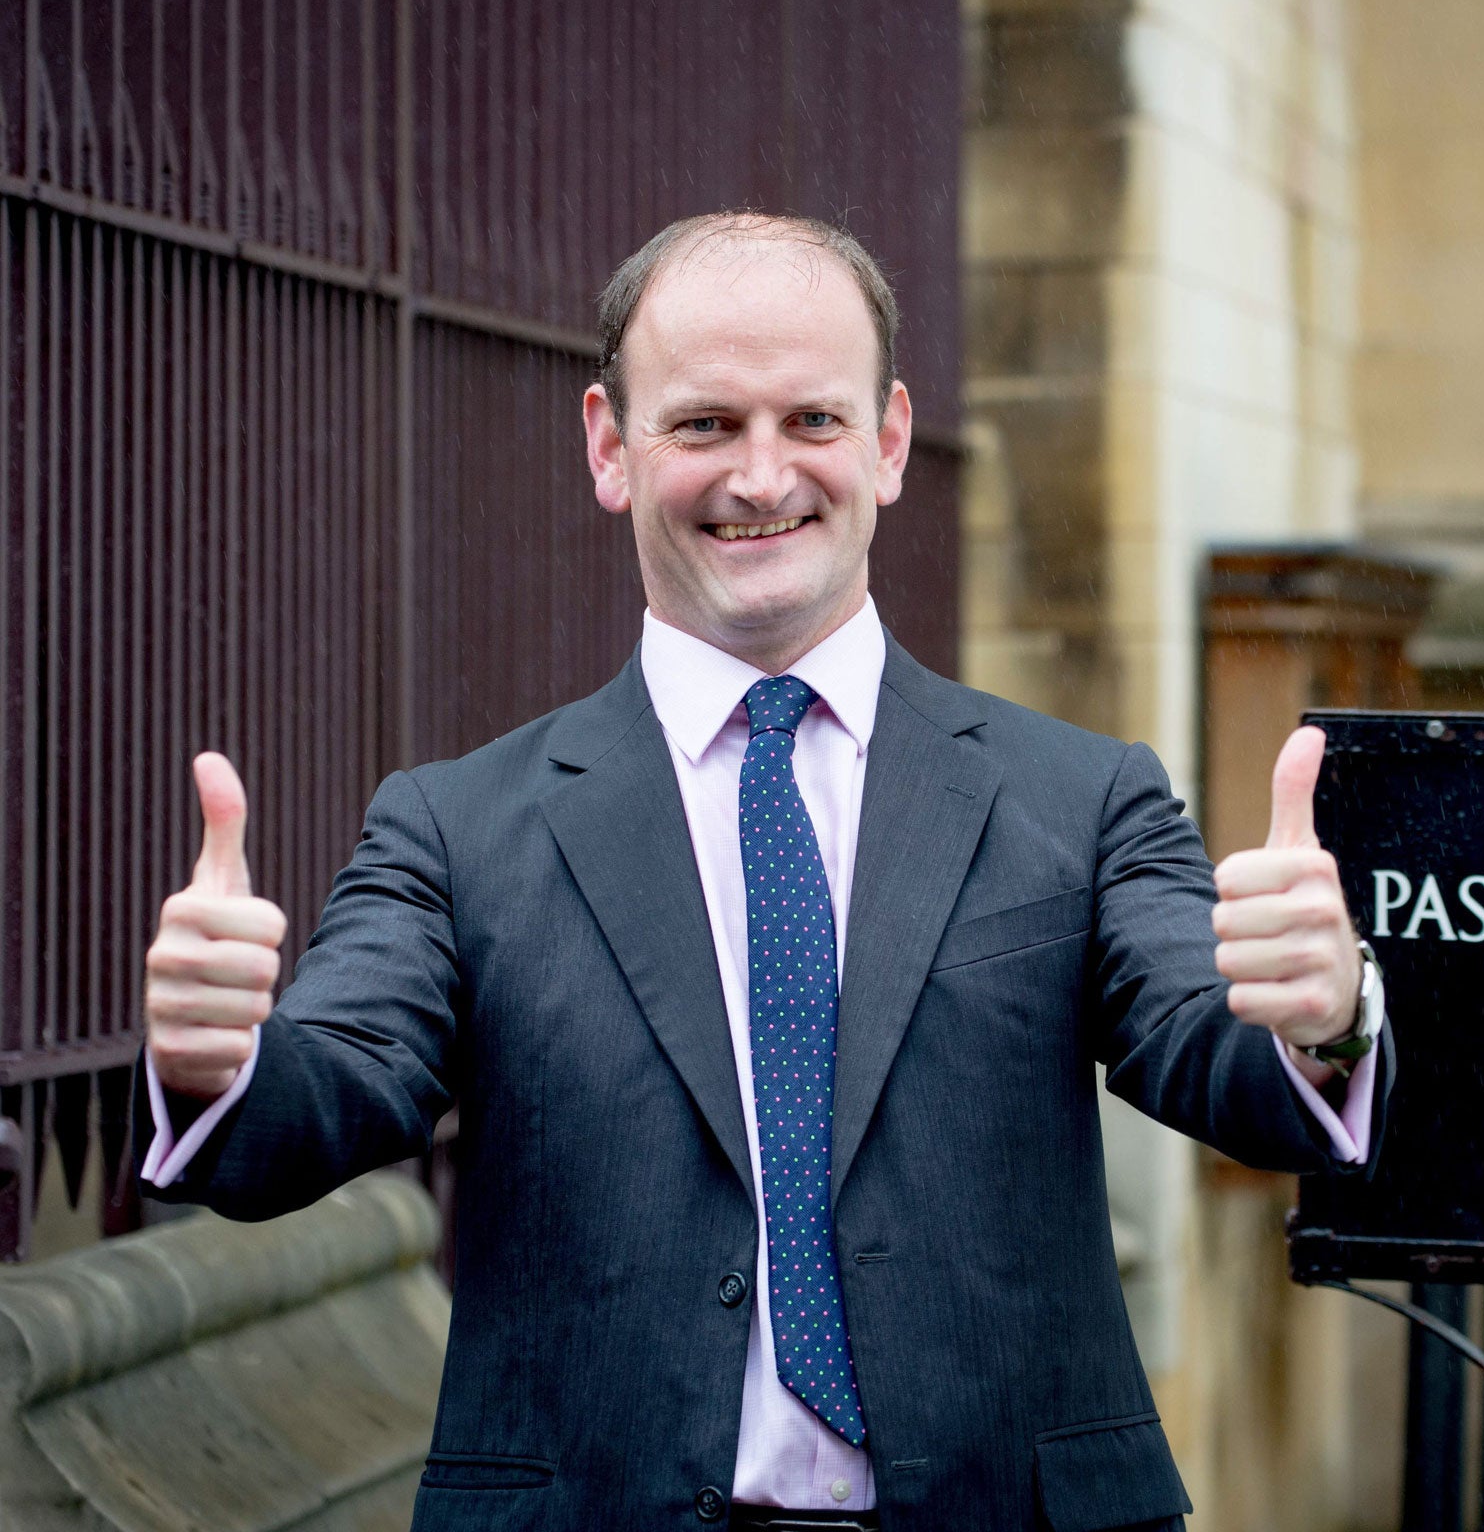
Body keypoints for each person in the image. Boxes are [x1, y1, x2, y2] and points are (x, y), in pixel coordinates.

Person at [137, 212, 1392, 1532]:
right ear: (610, 448)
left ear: (890, 441)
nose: (761, 475)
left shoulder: (1081, 800)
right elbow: (322, 1094)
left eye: (811, 420)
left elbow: (1223, 1058)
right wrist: (218, 1063)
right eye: (703, 425)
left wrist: (1323, 1017)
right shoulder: (458, 831)